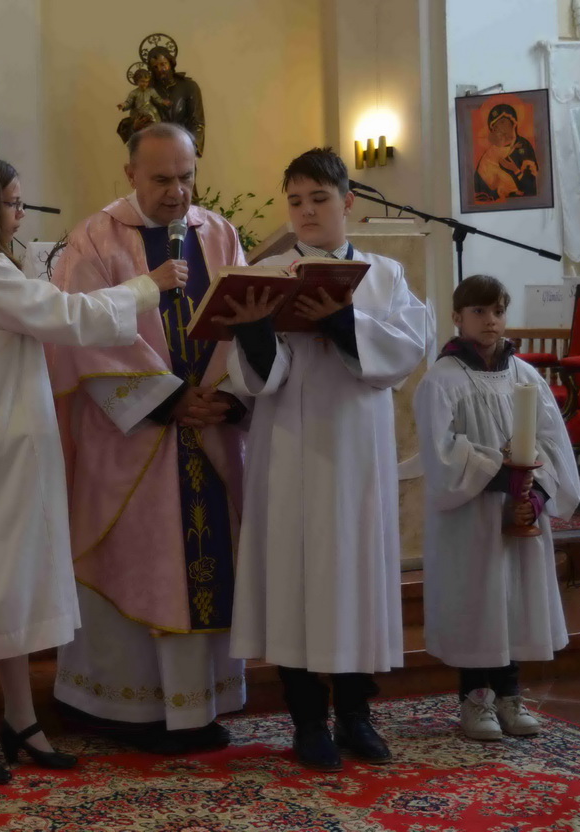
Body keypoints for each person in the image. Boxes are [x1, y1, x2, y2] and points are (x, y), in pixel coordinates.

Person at [0, 154, 185, 783]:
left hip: (8, 452)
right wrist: (147, 285)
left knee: (13, 584)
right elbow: (71, 318)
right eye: (13, 202)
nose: (21, 213)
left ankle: (20, 718)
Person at [223, 147, 429, 771]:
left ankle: (356, 716)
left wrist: (342, 322)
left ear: (348, 201)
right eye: (295, 201)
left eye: (319, 198)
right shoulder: (269, 272)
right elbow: (262, 376)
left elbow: (405, 351)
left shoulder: (384, 275)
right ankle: (308, 720)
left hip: (357, 451)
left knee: (355, 576)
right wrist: (254, 330)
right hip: (288, 446)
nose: (307, 211)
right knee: (294, 578)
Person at [48, 122, 250, 754]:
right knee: (138, 564)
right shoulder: (94, 240)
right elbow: (82, 335)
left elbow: (250, 321)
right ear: (130, 173)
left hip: (208, 436)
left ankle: (197, 706)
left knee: (205, 561)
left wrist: (227, 397)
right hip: (134, 441)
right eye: (162, 179)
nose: (177, 192)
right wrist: (167, 398)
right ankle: (121, 707)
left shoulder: (219, 235)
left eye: (186, 177)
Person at [413, 275, 580, 741]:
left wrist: (536, 496)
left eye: (498, 311)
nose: (490, 321)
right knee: (478, 601)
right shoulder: (442, 380)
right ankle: (475, 700)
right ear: (457, 317)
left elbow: (552, 442)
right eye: (479, 312)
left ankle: (510, 696)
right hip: (470, 515)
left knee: (514, 601)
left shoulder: (525, 377)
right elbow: (441, 454)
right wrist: (504, 477)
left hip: (521, 513)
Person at [116, 46, 205, 155]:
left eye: (163, 64)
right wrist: (135, 127)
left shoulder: (189, 87)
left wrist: (190, 148)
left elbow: (197, 123)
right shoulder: (147, 89)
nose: (160, 69)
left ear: (170, 63)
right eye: (155, 67)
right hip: (153, 151)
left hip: (181, 150)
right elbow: (135, 117)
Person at [473, 103, 539, 202]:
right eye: (496, 126)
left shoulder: (523, 146)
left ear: (513, 123)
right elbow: (479, 188)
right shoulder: (492, 151)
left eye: (503, 122)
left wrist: (515, 170)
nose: (500, 127)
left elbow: (531, 187)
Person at [117, 67, 170, 133]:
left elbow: (157, 98)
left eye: (147, 82)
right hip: (139, 111)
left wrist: (163, 102)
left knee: (153, 122)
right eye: (142, 81)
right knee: (140, 125)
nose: (145, 84)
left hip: (150, 110)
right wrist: (123, 105)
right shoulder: (134, 93)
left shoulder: (151, 90)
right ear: (137, 81)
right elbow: (129, 102)